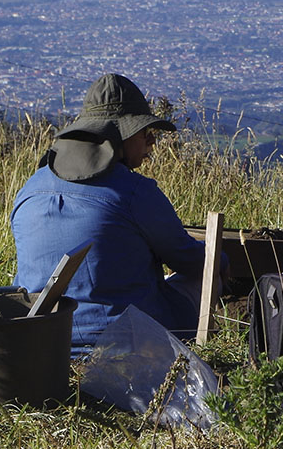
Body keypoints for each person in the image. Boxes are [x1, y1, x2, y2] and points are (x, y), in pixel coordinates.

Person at [12, 73, 226, 353]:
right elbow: (195, 262)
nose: (151, 144)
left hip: (40, 341)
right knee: (209, 274)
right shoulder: (134, 191)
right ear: (121, 137)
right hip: (124, 344)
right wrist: (222, 258)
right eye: (146, 134)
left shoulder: (30, 187)